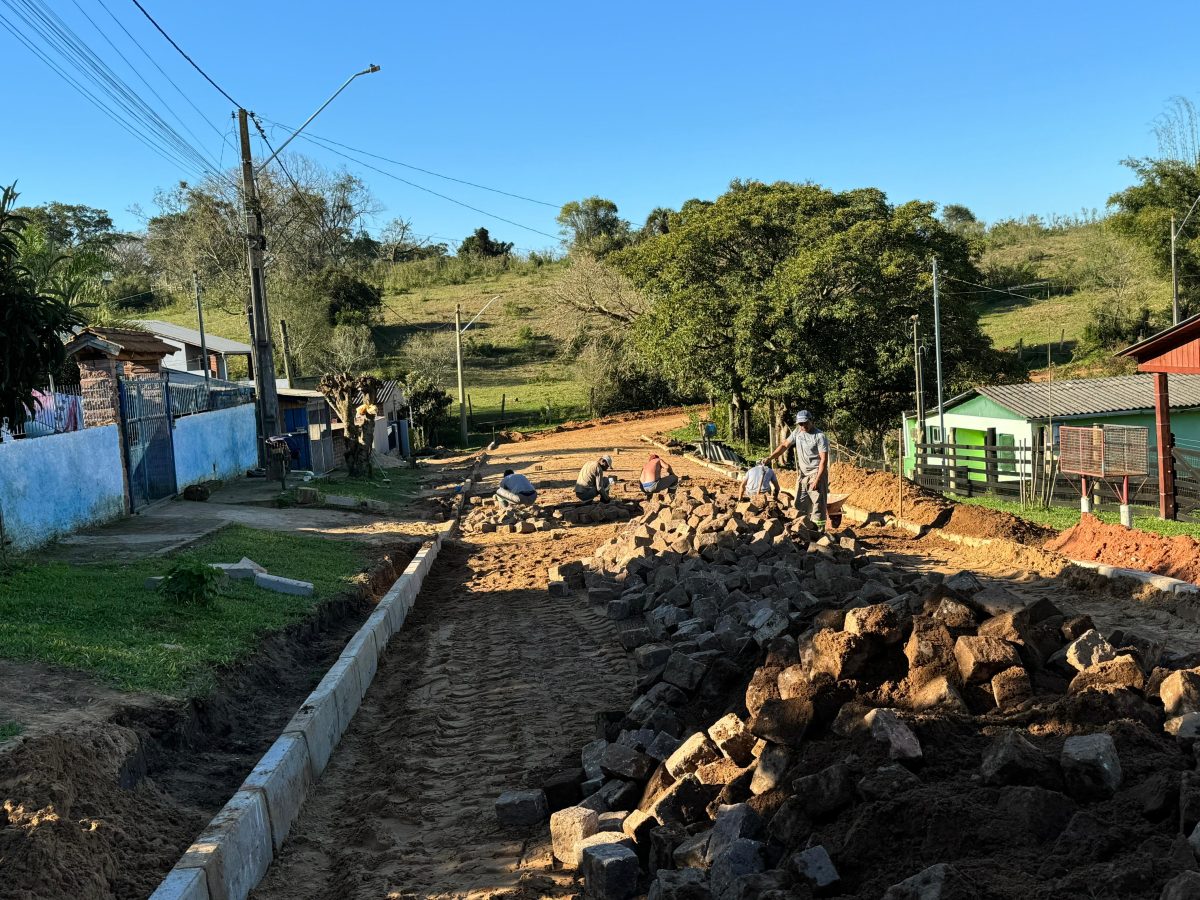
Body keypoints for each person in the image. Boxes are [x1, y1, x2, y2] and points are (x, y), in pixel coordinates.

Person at [766, 410, 830, 529]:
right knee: (800, 504)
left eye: (805, 423)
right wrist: (770, 458)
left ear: (811, 421)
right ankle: (803, 530)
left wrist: (817, 479)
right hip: (803, 475)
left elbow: (824, 460)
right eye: (800, 424)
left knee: (818, 505)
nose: (803, 426)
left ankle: (819, 532)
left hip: (816, 474)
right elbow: (785, 445)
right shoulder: (797, 432)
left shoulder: (819, 436)